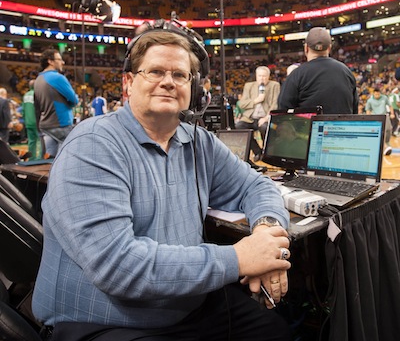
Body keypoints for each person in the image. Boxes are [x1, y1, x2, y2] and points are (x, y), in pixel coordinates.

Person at [32, 26, 292, 341]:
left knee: (275, 331)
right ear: (128, 83)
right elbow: (121, 268)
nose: (168, 81)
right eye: (155, 71)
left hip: (188, 307)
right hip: (105, 322)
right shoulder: (93, 143)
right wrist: (240, 258)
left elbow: (257, 186)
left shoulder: (198, 142)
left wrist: (266, 236)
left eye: (180, 75)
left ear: (195, 91)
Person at [278, 27, 359, 114]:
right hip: (343, 127)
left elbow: (283, 113)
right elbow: (354, 110)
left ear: (306, 48)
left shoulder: (296, 75)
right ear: (329, 48)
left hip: (309, 127)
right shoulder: (347, 72)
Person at [34, 48, 79, 158]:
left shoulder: (38, 79)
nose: (62, 62)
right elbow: (74, 99)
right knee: (69, 157)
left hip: (45, 124)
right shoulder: (57, 77)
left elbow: (37, 105)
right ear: (50, 61)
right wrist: (70, 106)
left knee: (51, 159)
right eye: (59, 59)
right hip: (61, 123)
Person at [235, 66, 280, 161]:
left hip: (265, 117)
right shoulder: (249, 86)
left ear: (268, 76)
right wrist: (256, 100)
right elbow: (242, 104)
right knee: (239, 126)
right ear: (256, 76)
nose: (262, 78)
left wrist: (267, 117)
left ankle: (267, 154)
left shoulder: (274, 85)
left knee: (265, 127)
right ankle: (257, 152)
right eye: (260, 76)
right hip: (250, 117)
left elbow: (275, 104)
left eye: (264, 76)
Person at [366, 87, 395, 155]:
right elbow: (368, 110)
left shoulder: (384, 98)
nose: (377, 96)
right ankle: (382, 146)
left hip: (384, 116)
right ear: (373, 93)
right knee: (379, 132)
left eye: (378, 94)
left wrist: (392, 113)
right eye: (376, 94)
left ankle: (387, 142)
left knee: (389, 129)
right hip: (375, 117)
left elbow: (390, 106)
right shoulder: (370, 100)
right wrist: (369, 118)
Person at [21, 80, 42, 160]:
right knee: (40, 141)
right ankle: (40, 158)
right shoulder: (37, 94)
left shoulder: (25, 95)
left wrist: (25, 120)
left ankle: (31, 158)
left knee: (31, 141)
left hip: (28, 121)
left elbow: (23, 110)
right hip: (37, 121)